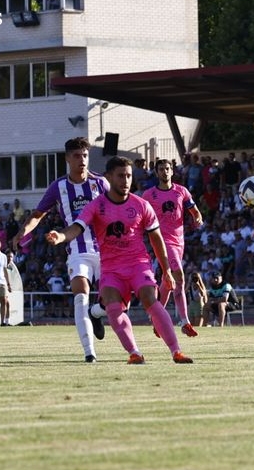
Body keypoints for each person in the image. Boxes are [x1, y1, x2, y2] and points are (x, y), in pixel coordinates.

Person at [45, 156, 193, 364]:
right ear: (109, 177)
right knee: (113, 308)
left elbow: (156, 238)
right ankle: (135, 352)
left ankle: (176, 351)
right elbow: (77, 227)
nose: (126, 181)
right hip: (112, 269)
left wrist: (166, 269)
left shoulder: (142, 205)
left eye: (129, 176)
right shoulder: (97, 206)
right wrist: (60, 236)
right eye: (121, 176)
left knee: (150, 297)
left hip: (138, 264)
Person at [13, 137, 108, 363]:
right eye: (76, 156)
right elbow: (37, 215)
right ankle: (89, 353)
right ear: (67, 159)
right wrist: (21, 233)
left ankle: (97, 313)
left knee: (117, 302)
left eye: (84, 155)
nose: (81, 160)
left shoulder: (101, 183)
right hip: (77, 250)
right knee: (80, 296)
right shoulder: (59, 187)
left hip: (106, 250)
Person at [142, 159, 203, 337]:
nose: (164, 172)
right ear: (156, 172)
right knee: (179, 278)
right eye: (161, 169)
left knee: (168, 284)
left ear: (172, 171)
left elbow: (194, 210)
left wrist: (197, 217)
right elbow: (140, 216)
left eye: (167, 169)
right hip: (161, 240)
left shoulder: (181, 191)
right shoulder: (148, 195)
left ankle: (156, 318)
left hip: (179, 241)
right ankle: (185, 322)